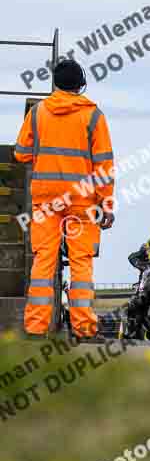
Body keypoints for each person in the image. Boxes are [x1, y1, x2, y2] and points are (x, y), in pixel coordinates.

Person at [14, 59, 115, 339]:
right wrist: (106, 203)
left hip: (46, 200)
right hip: (82, 201)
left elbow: (21, 153)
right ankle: (83, 328)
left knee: (43, 261)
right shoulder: (93, 115)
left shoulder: (38, 112)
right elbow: (104, 164)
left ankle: (35, 328)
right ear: (81, 84)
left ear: (56, 83)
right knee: (81, 262)